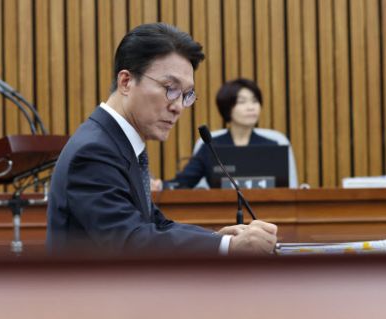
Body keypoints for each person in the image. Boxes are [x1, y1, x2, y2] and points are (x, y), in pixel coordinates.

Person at [47, 23, 277, 256]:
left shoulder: (117, 143)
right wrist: (226, 247)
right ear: (126, 82)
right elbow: (130, 240)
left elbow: (157, 225)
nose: (178, 106)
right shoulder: (94, 151)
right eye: (170, 88)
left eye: (186, 95)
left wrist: (218, 239)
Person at [160, 78, 298, 189]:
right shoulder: (211, 147)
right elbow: (183, 182)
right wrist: (160, 186)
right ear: (227, 108)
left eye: (255, 101)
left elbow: (286, 190)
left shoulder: (272, 146)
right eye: (242, 102)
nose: (251, 107)